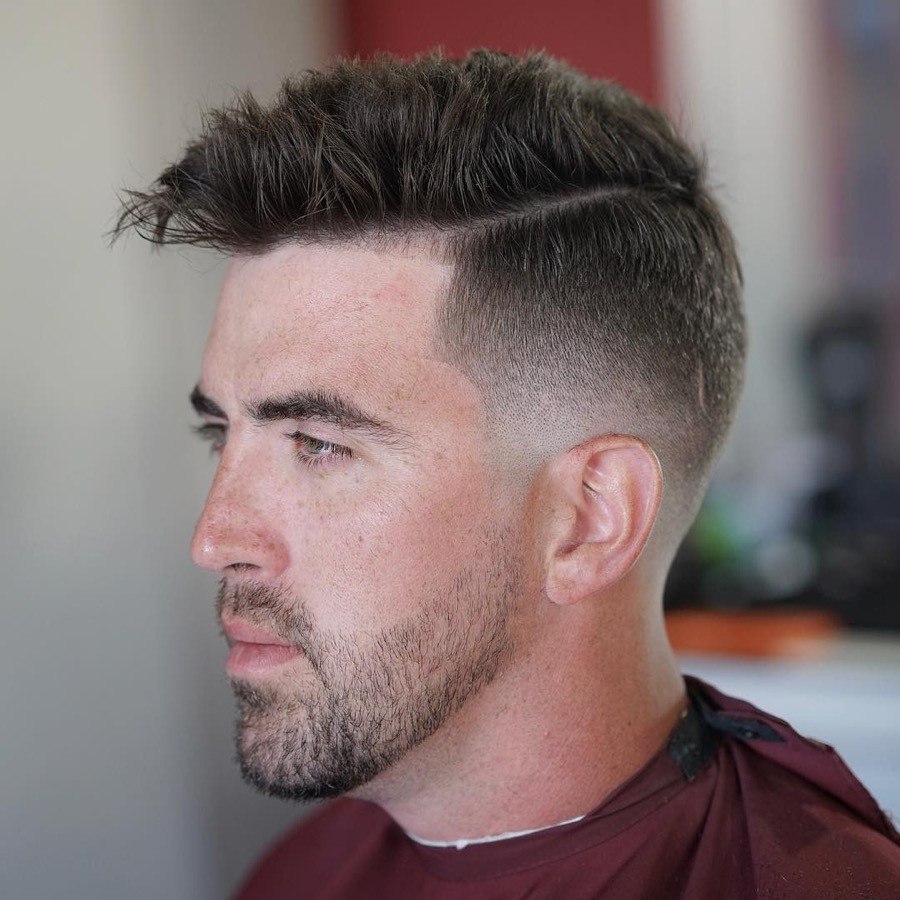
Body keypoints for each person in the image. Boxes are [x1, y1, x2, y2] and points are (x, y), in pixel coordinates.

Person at [115, 50, 900, 898]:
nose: (214, 540)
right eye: (219, 435)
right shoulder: (296, 876)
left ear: (588, 519)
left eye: (317, 445)